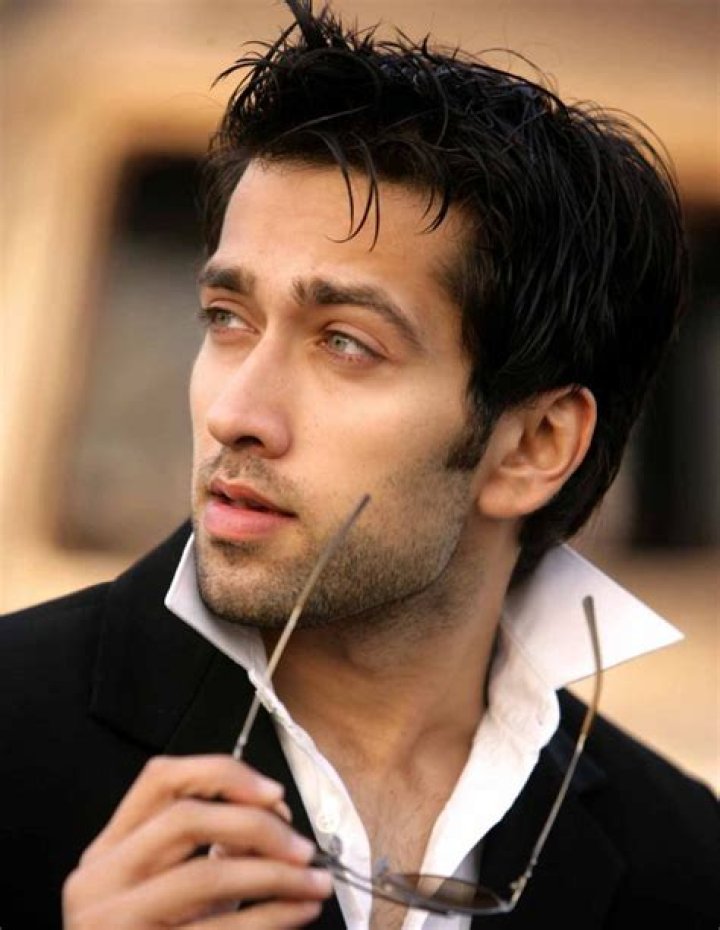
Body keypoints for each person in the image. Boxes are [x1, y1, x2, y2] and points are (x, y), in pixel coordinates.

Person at [1, 1, 717, 928]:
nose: (236, 414)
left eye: (345, 343)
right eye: (228, 319)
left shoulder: (682, 860)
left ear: (536, 445)